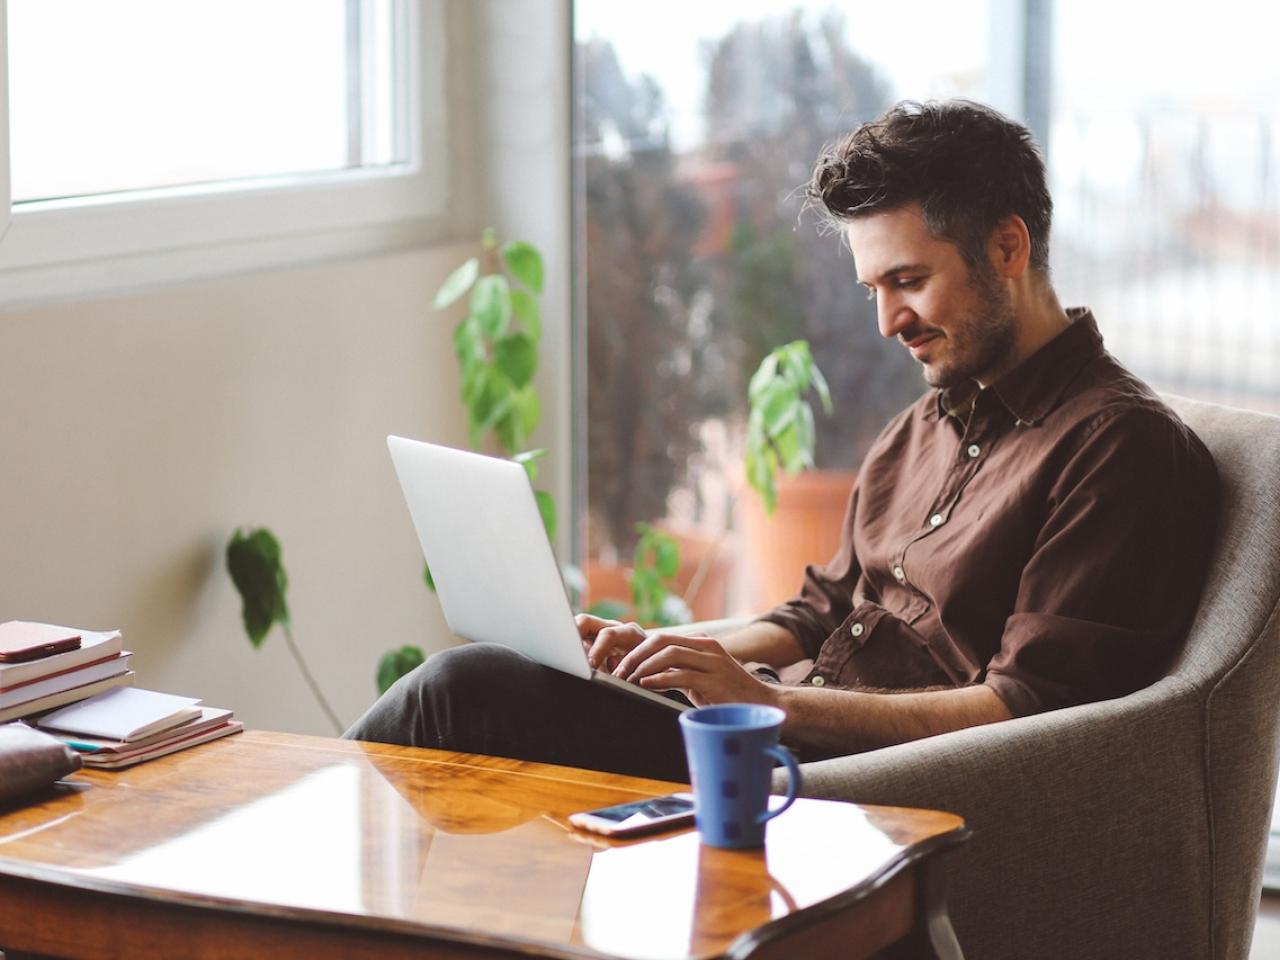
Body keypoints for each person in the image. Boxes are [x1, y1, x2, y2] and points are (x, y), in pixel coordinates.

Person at [345, 99, 1219, 782]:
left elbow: (1025, 710)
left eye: (908, 281)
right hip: (787, 740)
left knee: (466, 695)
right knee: (486, 694)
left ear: (1007, 248)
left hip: (867, 784)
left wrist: (769, 708)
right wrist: (664, 654)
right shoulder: (927, 423)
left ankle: (249, 854)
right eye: (872, 287)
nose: (886, 323)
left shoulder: (1118, 448)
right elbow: (820, 613)